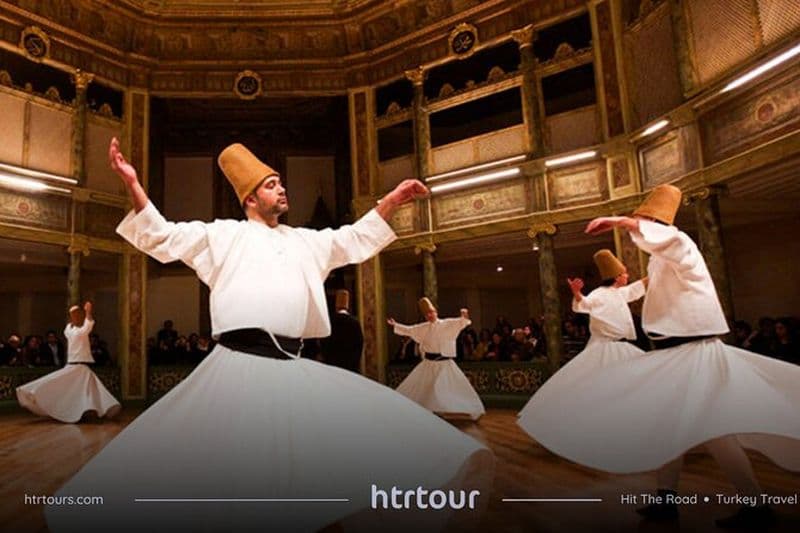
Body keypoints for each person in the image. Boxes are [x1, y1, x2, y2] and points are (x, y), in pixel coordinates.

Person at [46, 139, 492, 533]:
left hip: (293, 367)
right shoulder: (223, 236)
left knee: (335, 448)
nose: (282, 188)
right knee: (226, 467)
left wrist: (392, 199)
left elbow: (354, 239)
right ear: (250, 197)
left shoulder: (306, 242)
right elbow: (161, 236)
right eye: (272, 183)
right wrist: (132, 184)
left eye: (281, 181)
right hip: (238, 366)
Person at [572, 184, 800, 528]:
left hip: (694, 350)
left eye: (645, 220)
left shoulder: (681, 244)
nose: (640, 226)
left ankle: (752, 505)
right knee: (676, 427)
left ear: (656, 223)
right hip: (678, 351)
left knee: (712, 430)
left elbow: (670, 239)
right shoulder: (662, 259)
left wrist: (623, 221)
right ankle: (670, 499)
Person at [517, 249, 647, 442]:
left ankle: (627, 425)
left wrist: (659, 268)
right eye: (625, 273)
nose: (627, 276)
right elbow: (584, 304)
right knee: (596, 389)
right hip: (603, 348)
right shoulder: (599, 294)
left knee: (632, 386)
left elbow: (639, 287)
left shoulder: (620, 293)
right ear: (616, 277)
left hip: (622, 347)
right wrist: (577, 293)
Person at [16, 302, 120, 423]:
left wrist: (87, 312)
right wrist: (85, 313)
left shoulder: (80, 330)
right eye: (72, 315)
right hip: (73, 365)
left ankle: (94, 409)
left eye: (77, 314)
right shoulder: (70, 330)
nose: (75, 316)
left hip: (81, 366)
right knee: (62, 385)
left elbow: (88, 323)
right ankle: (34, 393)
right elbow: (82, 324)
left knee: (88, 389)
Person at [388, 299, 485, 420]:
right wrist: (396, 325)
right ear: (425, 316)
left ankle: (472, 409)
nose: (430, 315)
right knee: (419, 386)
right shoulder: (423, 328)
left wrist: (464, 315)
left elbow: (461, 322)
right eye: (427, 314)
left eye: (432, 312)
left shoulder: (446, 324)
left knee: (456, 386)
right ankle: (421, 409)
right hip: (429, 364)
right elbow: (410, 330)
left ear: (436, 312)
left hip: (444, 363)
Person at [320, 289, 364, 372]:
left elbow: (323, 342)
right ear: (347, 306)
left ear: (336, 305)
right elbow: (359, 344)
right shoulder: (355, 323)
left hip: (332, 367)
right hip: (350, 368)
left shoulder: (330, 321)